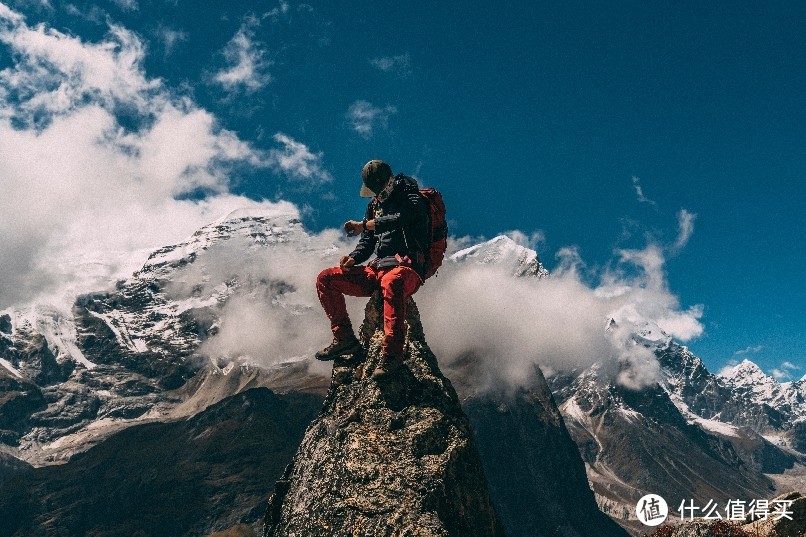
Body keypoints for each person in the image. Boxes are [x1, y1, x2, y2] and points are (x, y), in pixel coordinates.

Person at [315, 160, 429, 381]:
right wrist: (353, 258)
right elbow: (367, 244)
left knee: (392, 283)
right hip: (377, 268)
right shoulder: (374, 205)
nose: (375, 195)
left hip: (408, 268)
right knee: (326, 279)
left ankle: (392, 355)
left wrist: (365, 225)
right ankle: (345, 340)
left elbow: (402, 218)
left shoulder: (411, 197)